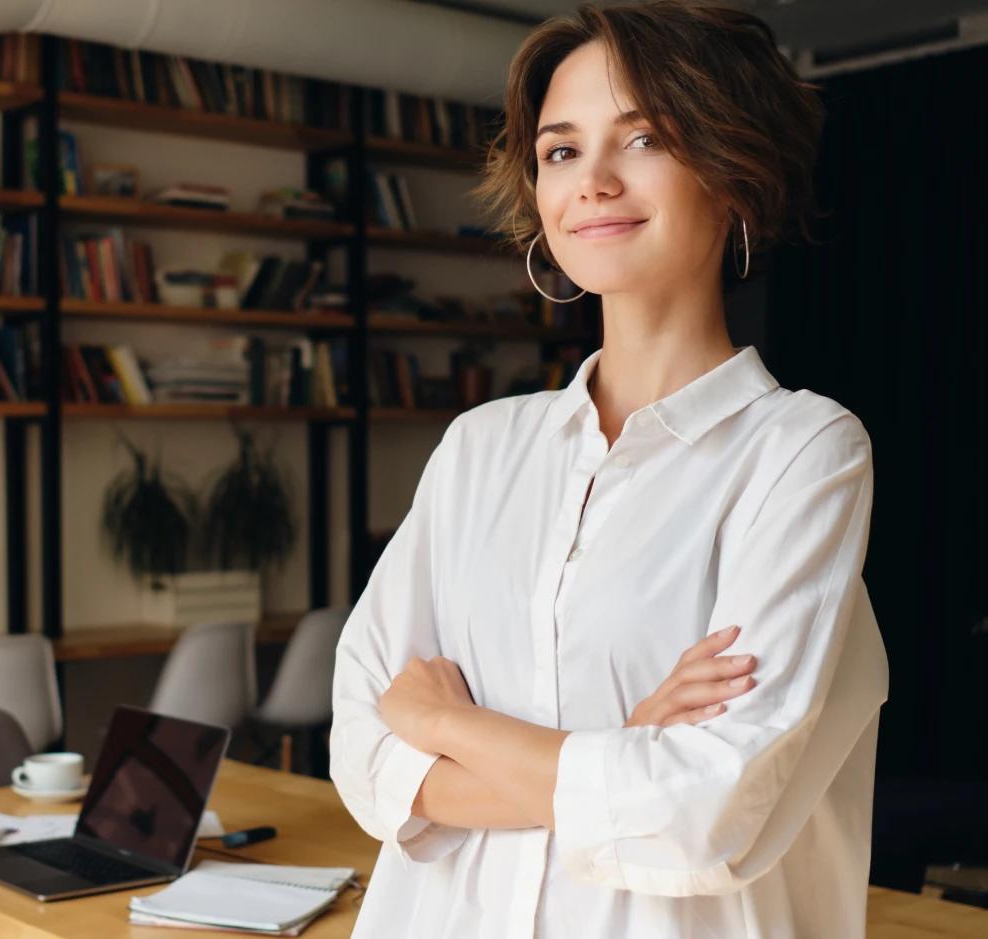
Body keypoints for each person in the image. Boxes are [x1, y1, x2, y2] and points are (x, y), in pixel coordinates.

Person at [329, 2, 889, 937]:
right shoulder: (479, 448)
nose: (590, 182)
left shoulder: (802, 451)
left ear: (734, 174)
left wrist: (447, 725)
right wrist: (620, 753)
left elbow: (704, 810)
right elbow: (361, 748)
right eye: (559, 151)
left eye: (642, 140)